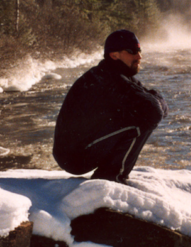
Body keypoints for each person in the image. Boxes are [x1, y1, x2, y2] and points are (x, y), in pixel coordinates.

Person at [52, 30, 168, 183]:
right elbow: (154, 111)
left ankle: (109, 175)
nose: (139, 56)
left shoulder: (120, 76)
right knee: (141, 122)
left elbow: (157, 107)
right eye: (132, 52)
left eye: (139, 51)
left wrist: (155, 100)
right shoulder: (107, 79)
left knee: (142, 113)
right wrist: (155, 100)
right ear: (114, 55)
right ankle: (111, 179)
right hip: (74, 156)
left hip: (83, 147)